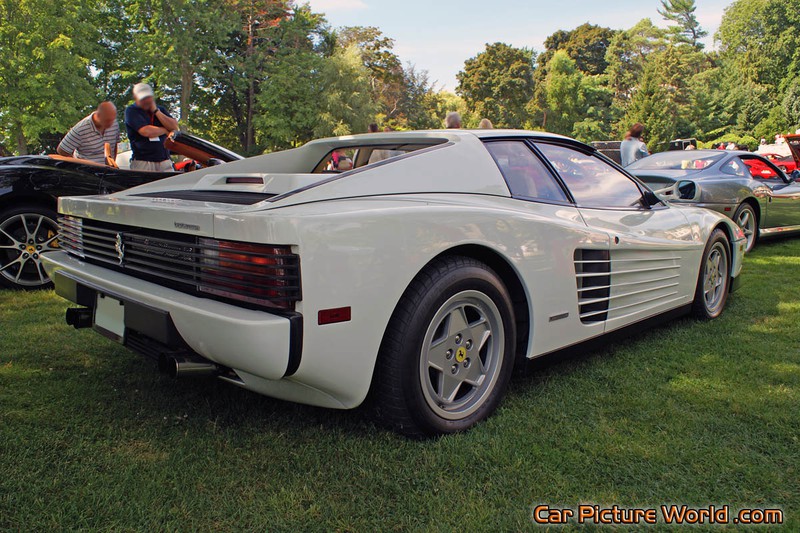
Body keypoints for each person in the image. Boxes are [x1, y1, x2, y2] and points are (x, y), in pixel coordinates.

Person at [124, 82, 179, 172]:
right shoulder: (132, 111)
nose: (146, 101)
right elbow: (146, 131)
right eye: (143, 98)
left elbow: (174, 127)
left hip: (164, 160)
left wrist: (156, 111)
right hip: (144, 161)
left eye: (148, 97)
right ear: (136, 98)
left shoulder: (160, 109)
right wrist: (164, 130)